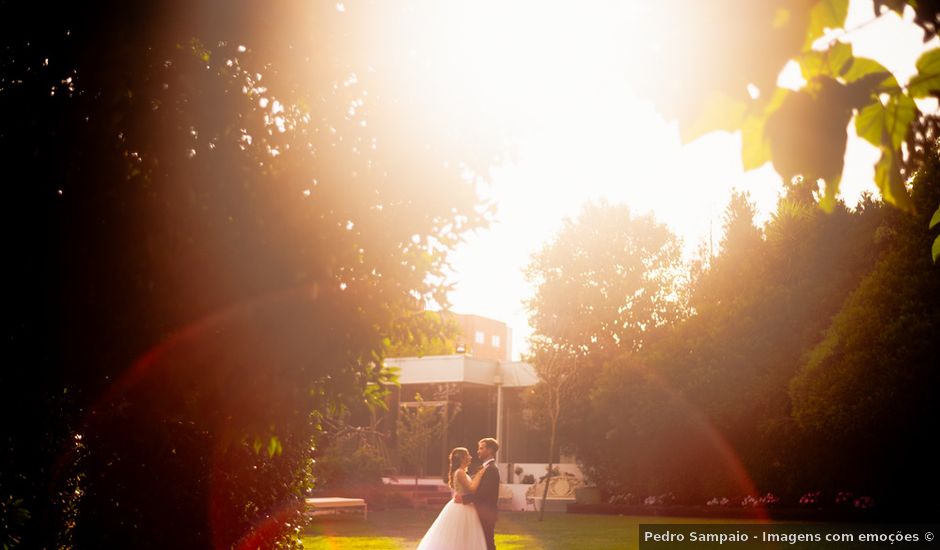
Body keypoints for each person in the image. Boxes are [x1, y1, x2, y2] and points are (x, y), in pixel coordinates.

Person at [415, 447, 488, 550]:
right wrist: (480, 475)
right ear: (462, 458)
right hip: (462, 507)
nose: (470, 457)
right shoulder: (460, 472)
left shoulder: (461, 472)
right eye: (468, 455)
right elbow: (472, 488)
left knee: (464, 536)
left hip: (463, 504)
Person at [455, 438, 500, 550]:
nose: (478, 451)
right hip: (479, 512)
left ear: (489, 450)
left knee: (488, 543)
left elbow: (483, 493)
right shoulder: (485, 468)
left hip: (486, 513)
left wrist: (464, 499)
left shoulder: (492, 469)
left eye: (481, 448)